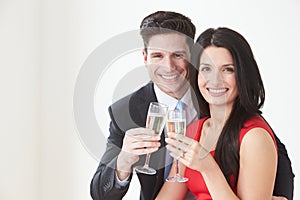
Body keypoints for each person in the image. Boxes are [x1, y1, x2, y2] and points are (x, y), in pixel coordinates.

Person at [156, 27, 294, 200]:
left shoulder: (254, 137)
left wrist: (208, 167)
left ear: (243, 75)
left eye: (227, 69)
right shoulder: (195, 129)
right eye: (206, 69)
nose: (215, 80)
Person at [90, 11, 198, 200]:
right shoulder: (125, 111)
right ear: (145, 58)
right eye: (157, 55)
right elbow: (100, 194)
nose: (169, 66)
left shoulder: (215, 98)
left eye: (178, 55)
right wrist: (124, 160)